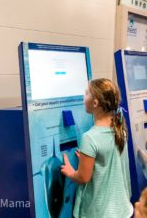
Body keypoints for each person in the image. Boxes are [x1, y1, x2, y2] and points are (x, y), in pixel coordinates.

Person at [61, 78, 133, 218]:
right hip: (122, 209)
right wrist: (87, 160)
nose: (83, 97)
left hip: (99, 213)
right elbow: (108, 160)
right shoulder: (120, 129)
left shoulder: (89, 138)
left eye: (86, 93)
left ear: (95, 103)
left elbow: (83, 177)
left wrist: (70, 172)